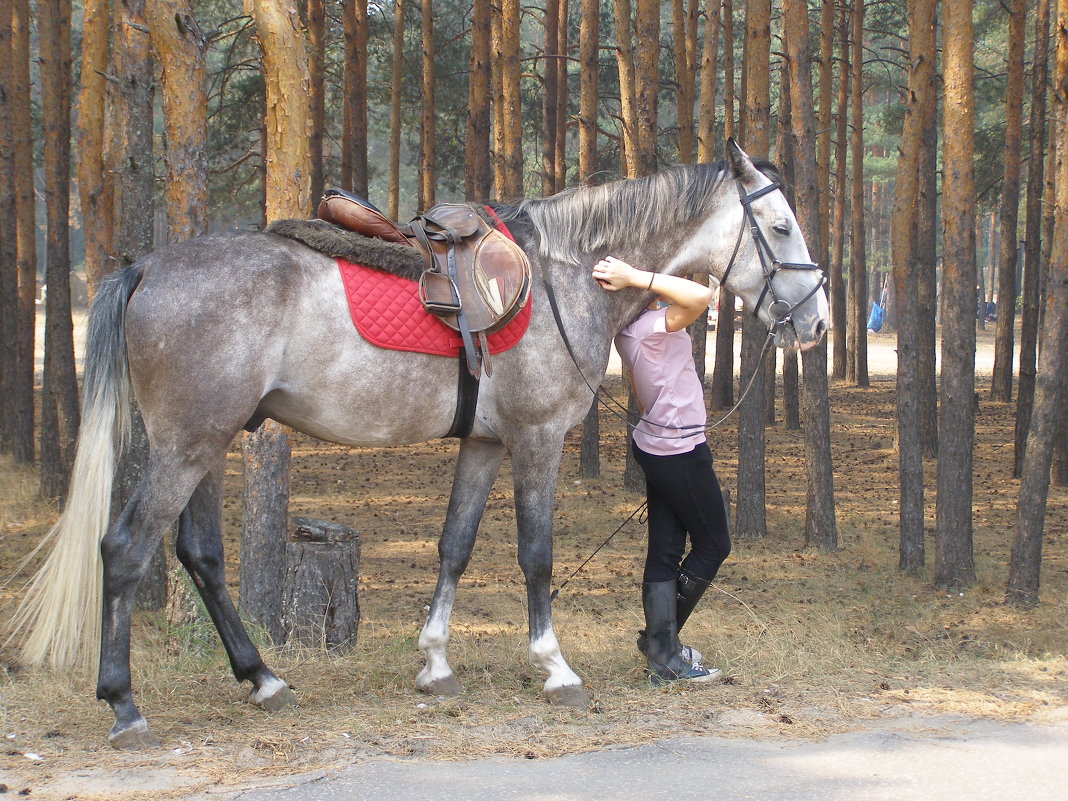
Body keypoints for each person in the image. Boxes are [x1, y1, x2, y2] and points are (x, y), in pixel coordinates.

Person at [592, 255, 731, 684]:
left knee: (666, 553)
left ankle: (663, 652)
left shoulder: (632, 331)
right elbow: (702, 296)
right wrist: (636, 275)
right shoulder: (648, 328)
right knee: (713, 545)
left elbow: (639, 385)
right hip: (680, 451)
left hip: (660, 445)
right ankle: (661, 646)